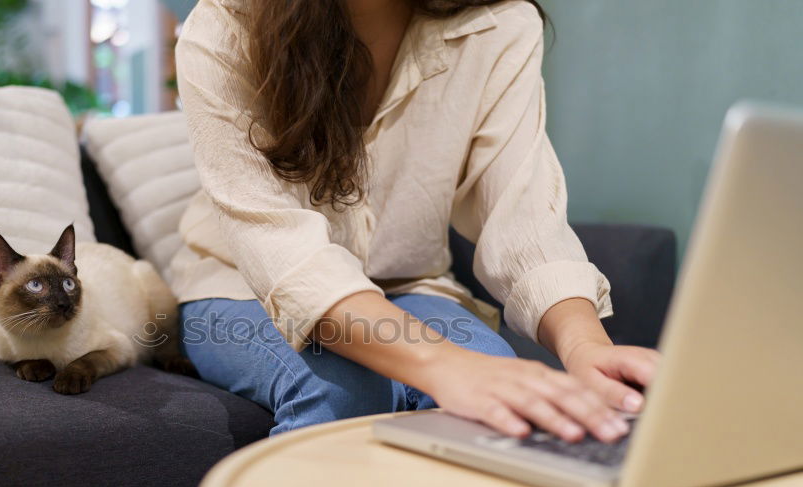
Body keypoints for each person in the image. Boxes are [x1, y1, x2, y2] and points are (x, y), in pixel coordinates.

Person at [170, 0, 660, 440]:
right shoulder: (225, 28)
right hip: (237, 290)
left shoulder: (499, 26)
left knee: (496, 378)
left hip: (409, 284)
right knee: (343, 393)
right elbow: (281, 256)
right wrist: (442, 364)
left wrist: (585, 347)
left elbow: (522, 216)